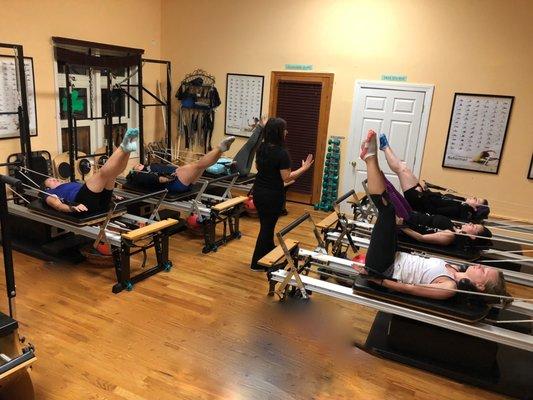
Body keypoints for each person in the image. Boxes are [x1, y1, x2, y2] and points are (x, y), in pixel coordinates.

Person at [356, 129, 508, 302]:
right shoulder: (456, 268)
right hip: (395, 254)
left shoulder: (449, 287)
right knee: (389, 208)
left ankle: (370, 157)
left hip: (383, 267)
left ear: (480, 286)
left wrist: (378, 280)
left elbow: (411, 289)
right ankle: (369, 158)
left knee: (387, 211)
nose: (481, 266)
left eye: (484, 272)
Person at [250, 117, 314, 271]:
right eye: (284, 129)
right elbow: (286, 177)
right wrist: (304, 168)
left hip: (258, 192)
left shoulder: (261, 147)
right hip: (272, 196)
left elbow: (259, 168)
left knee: (267, 227)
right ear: (278, 132)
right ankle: (257, 264)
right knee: (267, 228)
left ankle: (269, 255)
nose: (286, 132)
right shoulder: (281, 152)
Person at [378, 134, 490, 221]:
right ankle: (385, 147)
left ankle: (385, 147)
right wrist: (427, 191)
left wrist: (423, 194)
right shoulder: (461, 202)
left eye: (476, 200)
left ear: (475, 208)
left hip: (419, 202)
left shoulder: (458, 209)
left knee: (401, 170)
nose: (474, 197)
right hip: (422, 195)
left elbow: (433, 211)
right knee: (404, 168)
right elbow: (439, 199)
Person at [43, 128, 140, 214]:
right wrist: (72, 208)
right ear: (47, 187)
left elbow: (94, 188)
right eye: (51, 180)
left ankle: (128, 150)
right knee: (101, 174)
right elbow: (58, 206)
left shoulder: (71, 183)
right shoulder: (50, 192)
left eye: (54, 178)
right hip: (84, 202)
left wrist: (113, 196)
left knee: (113, 174)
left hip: (101, 201)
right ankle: (123, 147)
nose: (55, 179)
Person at [127, 136, 236, 192]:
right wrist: (167, 178)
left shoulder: (148, 167)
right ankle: (219, 148)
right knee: (198, 164)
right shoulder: (139, 174)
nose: (139, 164)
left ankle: (221, 149)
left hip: (178, 178)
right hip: (175, 181)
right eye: (137, 166)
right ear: (136, 170)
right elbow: (153, 179)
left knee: (203, 165)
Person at [399, 211, 492, 248]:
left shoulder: (450, 236)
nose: (471, 223)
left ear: (472, 237)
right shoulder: (455, 227)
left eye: (474, 227)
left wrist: (401, 225)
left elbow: (421, 237)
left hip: (405, 222)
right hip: (411, 214)